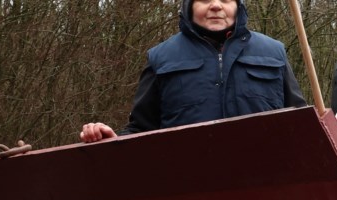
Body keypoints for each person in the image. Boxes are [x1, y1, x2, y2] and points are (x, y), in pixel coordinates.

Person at [80, 0, 306, 143]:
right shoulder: (161, 57)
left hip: (268, 185)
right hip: (187, 187)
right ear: (189, 6)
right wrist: (113, 140)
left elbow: (301, 123)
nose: (216, 5)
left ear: (238, 6)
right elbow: (141, 129)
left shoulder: (274, 52)